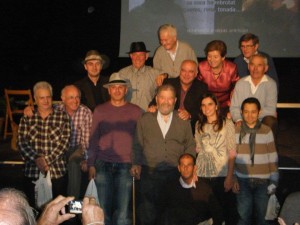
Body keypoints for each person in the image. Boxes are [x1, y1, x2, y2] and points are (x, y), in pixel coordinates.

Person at [132, 84, 196, 225]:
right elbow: (137, 144)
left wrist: (189, 169)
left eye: (170, 99)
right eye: (162, 98)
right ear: (156, 99)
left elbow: (190, 145)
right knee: (148, 215)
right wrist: (136, 163)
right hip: (150, 174)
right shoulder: (145, 119)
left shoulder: (183, 121)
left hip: (175, 174)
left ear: (175, 100)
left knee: (172, 216)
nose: (166, 102)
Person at [88, 73, 143, 225]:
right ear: (109, 90)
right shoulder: (99, 111)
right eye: (114, 87)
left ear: (126, 90)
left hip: (126, 164)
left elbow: (140, 140)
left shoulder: (137, 111)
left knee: (123, 210)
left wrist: (137, 163)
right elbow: (93, 139)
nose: (117, 90)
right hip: (102, 163)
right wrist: (91, 163)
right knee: (102, 208)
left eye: (121, 87)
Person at [18, 81, 71, 208]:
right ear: (35, 99)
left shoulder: (62, 116)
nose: (46, 101)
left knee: (58, 212)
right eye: (42, 97)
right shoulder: (27, 118)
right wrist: (37, 159)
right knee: (32, 212)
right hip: (32, 172)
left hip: (57, 172)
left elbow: (64, 143)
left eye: (48, 97)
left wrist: (45, 161)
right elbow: (21, 142)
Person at [233, 97, 279, 225]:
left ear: (259, 112)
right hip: (242, 180)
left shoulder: (266, 131)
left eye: (253, 111)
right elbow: (231, 157)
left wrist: (274, 181)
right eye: (246, 111)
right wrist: (233, 178)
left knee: (264, 219)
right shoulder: (235, 131)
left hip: (263, 181)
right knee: (243, 217)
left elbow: (272, 157)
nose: (249, 115)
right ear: (241, 112)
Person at [195, 93, 238, 225]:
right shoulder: (198, 125)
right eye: (203, 105)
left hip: (221, 175)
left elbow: (232, 152)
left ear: (216, 106)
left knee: (223, 215)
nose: (206, 108)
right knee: (205, 215)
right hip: (202, 176)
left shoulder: (227, 123)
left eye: (210, 104)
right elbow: (198, 150)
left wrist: (230, 176)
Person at [159, 153, 224, 225]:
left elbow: (217, 212)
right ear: (179, 168)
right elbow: (162, 213)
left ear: (195, 168)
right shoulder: (170, 187)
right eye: (183, 165)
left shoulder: (204, 187)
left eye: (189, 165)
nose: (185, 168)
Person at [149, 59, 208, 134]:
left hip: (190, 129)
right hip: (166, 127)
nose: (186, 74)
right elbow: (154, 102)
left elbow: (203, 110)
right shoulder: (168, 83)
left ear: (196, 74)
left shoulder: (202, 88)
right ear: (180, 71)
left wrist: (190, 115)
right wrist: (153, 107)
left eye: (190, 72)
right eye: (184, 70)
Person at [230, 53, 278, 138]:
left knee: (271, 120)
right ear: (248, 66)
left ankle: (269, 150)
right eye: (252, 65)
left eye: (259, 65)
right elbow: (234, 107)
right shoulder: (240, 83)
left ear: (265, 68)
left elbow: (271, 110)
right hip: (242, 119)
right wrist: (239, 119)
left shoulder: (271, 84)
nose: (255, 69)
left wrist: (250, 116)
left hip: (262, 120)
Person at [59, 85, 92, 199]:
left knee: (73, 163)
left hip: (78, 147)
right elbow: (41, 108)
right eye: (71, 97)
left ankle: (73, 207)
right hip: (59, 148)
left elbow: (86, 140)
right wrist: (30, 109)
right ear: (63, 99)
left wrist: (86, 159)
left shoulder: (85, 112)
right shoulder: (56, 109)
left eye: (77, 97)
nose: (75, 100)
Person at [118, 41, 166, 111]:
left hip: (148, 116)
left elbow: (168, 89)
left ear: (146, 56)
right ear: (131, 56)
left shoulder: (155, 73)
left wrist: (165, 75)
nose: (138, 58)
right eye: (135, 55)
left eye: (141, 55)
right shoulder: (122, 74)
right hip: (127, 116)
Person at [198, 40, 239, 117]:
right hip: (207, 103)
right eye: (209, 56)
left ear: (223, 57)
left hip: (226, 103)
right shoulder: (201, 67)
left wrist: (231, 103)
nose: (212, 60)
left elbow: (237, 86)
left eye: (215, 57)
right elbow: (197, 87)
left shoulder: (231, 68)